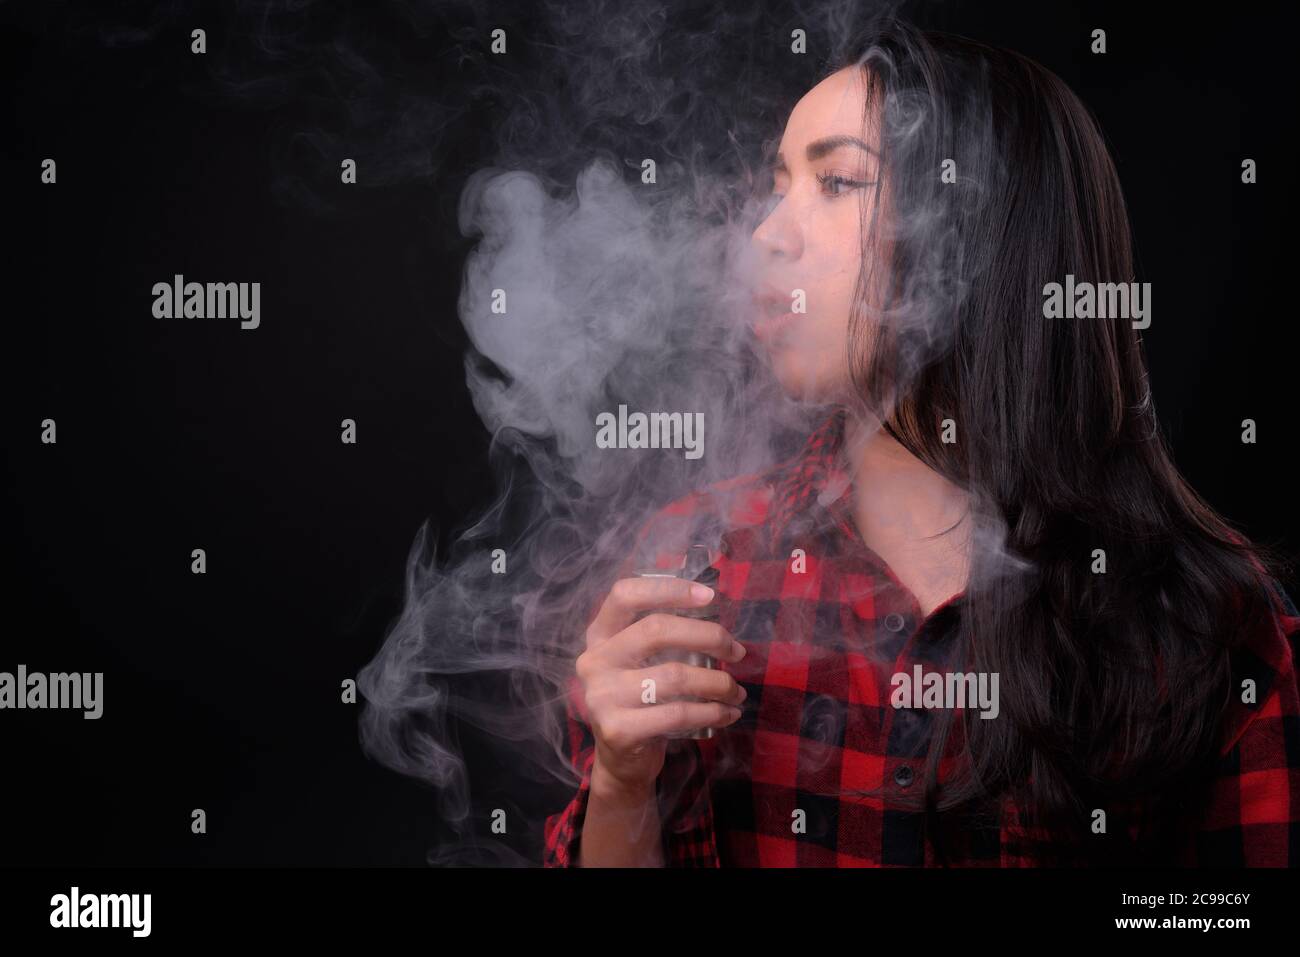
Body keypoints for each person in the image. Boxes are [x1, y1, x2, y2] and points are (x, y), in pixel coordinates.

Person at [543, 19, 1299, 867]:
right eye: (778, 184)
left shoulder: (1205, 615)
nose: (764, 236)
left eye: (835, 181)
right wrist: (620, 782)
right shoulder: (697, 568)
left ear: (980, 234)